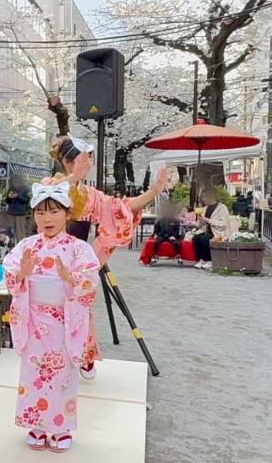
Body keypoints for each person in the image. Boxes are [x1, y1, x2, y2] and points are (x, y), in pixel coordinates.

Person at [46, 134, 168, 380]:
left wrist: (153, 191)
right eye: (84, 158)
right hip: (50, 256)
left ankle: (84, 356)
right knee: (49, 311)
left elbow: (122, 206)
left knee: (81, 309)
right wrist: (73, 178)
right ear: (69, 162)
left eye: (89, 159)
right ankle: (50, 358)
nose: (88, 163)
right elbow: (49, 197)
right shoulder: (51, 183)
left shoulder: (90, 194)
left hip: (77, 259)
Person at [4, 181, 101, 453]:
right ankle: (36, 424)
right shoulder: (26, 245)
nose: (47, 218)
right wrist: (21, 275)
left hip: (63, 321)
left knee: (61, 374)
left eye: (54, 211)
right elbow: (11, 274)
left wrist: (71, 279)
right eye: (40, 212)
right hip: (33, 320)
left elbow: (89, 278)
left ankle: (60, 427)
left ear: (68, 214)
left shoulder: (79, 249)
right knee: (33, 373)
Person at [192, 186, 232, 270]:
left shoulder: (222, 208)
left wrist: (207, 220)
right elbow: (200, 225)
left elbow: (223, 224)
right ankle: (201, 259)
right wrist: (200, 222)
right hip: (208, 232)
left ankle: (209, 260)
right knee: (196, 238)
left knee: (204, 239)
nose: (204, 199)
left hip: (219, 234)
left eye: (205, 196)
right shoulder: (205, 208)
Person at [5, 176, 31, 240]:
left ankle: (22, 247)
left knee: (20, 232)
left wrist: (17, 196)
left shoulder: (25, 188)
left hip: (20, 214)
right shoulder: (11, 188)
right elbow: (7, 201)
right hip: (10, 213)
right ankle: (10, 247)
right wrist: (9, 197)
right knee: (10, 232)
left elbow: (26, 200)